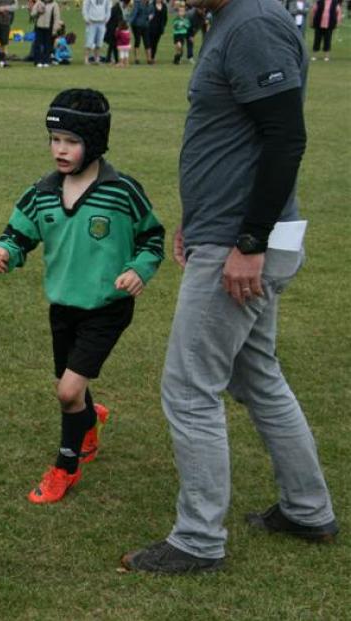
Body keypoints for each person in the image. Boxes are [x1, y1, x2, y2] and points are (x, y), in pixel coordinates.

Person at [121, 0, 338, 574]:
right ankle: (308, 508)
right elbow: (234, 138)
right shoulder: (234, 20)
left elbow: (286, 138)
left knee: (190, 389)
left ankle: (197, 539)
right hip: (228, 234)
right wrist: (203, 219)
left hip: (242, 246)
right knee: (257, 374)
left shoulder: (254, 24)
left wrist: (248, 241)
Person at [0, 89, 164, 504]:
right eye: (55, 139)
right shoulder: (42, 191)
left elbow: (151, 237)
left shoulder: (121, 191)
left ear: (95, 143)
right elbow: (17, 235)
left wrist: (138, 270)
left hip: (107, 308)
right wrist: (2, 252)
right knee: (72, 388)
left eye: (72, 141)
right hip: (62, 307)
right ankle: (90, 420)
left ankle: (65, 467)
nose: (60, 150)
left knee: (67, 392)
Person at [31, 0, 63, 67]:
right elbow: (32, 14)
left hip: (49, 28)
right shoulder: (39, 2)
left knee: (47, 45)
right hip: (39, 27)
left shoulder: (54, 4)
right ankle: (38, 61)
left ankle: (46, 61)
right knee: (38, 44)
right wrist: (38, 11)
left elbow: (57, 18)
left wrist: (54, 30)